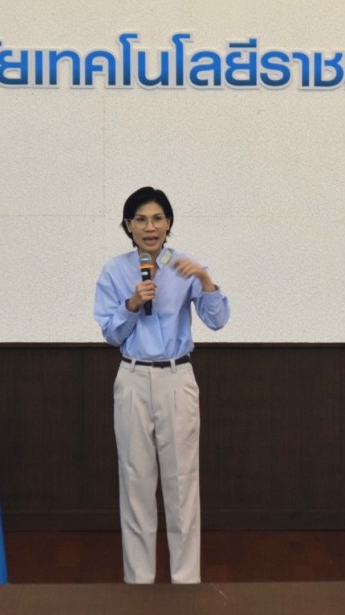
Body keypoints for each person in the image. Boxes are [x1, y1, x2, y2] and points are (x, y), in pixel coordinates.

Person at [93, 186, 230, 584]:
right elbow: (111, 333)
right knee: (135, 481)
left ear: (168, 223)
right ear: (128, 226)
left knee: (182, 482)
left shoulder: (184, 266)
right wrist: (132, 304)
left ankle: (185, 584)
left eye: (157, 218)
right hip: (133, 378)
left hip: (176, 377)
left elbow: (217, 321)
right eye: (140, 219)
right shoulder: (114, 271)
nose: (149, 227)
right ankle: (139, 583)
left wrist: (205, 279)